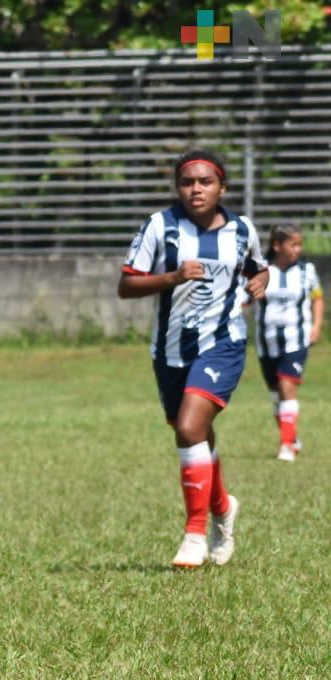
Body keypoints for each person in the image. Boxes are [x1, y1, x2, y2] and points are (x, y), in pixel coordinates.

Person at [118, 149, 268, 569]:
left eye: (205, 182)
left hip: (223, 341)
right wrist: (172, 277)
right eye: (187, 182)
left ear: (222, 187)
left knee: (189, 427)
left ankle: (195, 532)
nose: (196, 189)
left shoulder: (241, 229)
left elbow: (258, 267)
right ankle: (223, 507)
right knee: (194, 433)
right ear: (177, 187)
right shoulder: (159, 226)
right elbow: (126, 285)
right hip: (169, 349)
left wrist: (260, 280)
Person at [250, 223, 322, 461]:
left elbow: (317, 298)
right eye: (294, 244)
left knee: (286, 387)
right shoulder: (261, 271)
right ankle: (292, 437)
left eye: (300, 244)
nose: (298, 249)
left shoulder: (306, 271)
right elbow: (245, 299)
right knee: (276, 395)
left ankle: (286, 446)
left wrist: (316, 326)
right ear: (277, 245)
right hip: (266, 341)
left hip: (296, 339)